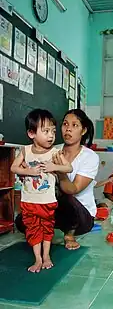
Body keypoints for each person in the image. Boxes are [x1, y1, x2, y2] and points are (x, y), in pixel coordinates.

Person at [15, 109, 99, 252]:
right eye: (65, 124)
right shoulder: (52, 150)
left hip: (81, 216)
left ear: (83, 130)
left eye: (74, 125)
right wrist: (27, 172)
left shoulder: (90, 157)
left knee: (63, 195)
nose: (68, 129)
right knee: (21, 221)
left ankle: (69, 234)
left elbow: (72, 189)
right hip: (53, 208)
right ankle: (49, 229)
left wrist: (59, 170)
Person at [11, 109, 73, 273]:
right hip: (29, 201)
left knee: (47, 228)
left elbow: (68, 167)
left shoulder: (54, 152)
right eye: (45, 131)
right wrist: (29, 172)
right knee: (33, 229)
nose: (51, 135)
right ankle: (37, 259)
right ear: (31, 133)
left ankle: (46, 256)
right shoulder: (26, 150)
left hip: (47, 201)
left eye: (53, 131)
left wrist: (55, 167)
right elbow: (13, 167)